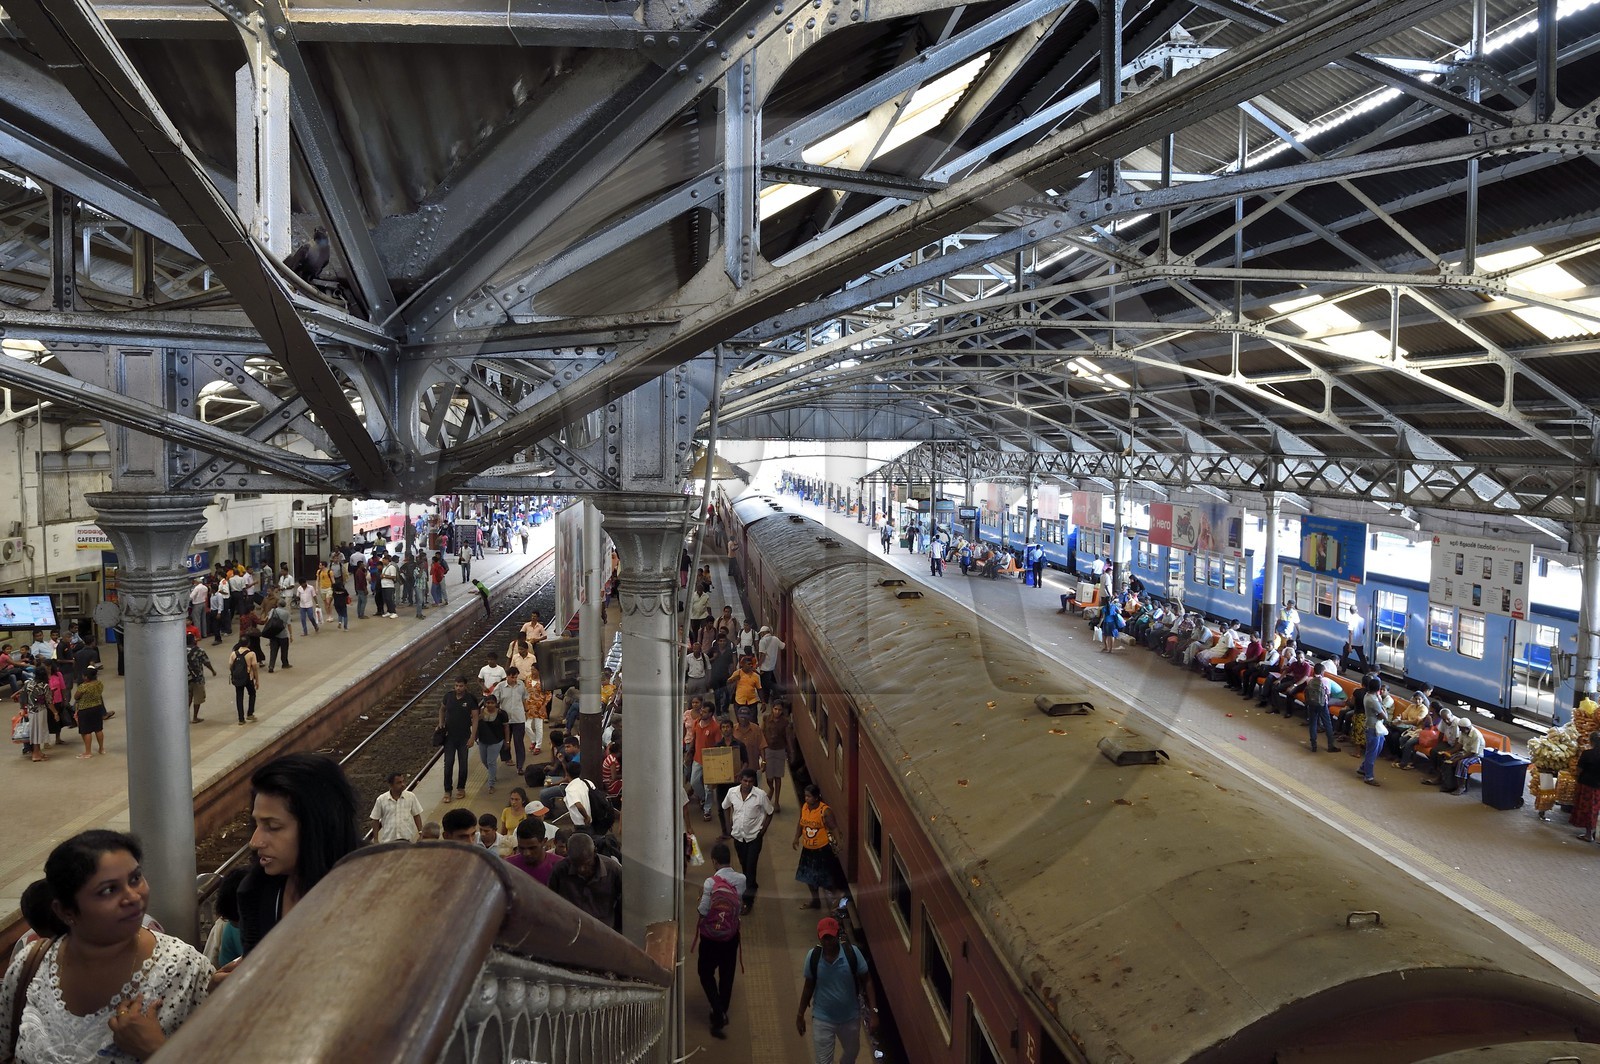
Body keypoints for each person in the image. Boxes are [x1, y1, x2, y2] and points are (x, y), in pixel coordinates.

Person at [0, 830, 213, 1063]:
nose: (132, 897)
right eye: (108, 890)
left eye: (135, 878)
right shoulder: (30, 965)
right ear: (66, 911)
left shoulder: (186, 970)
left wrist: (157, 1050)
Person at [238, 753, 361, 955]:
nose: (254, 841)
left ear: (318, 827)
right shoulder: (254, 892)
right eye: (256, 824)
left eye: (273, 826)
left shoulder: (375, 888)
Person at [795, 916, 876, 1064]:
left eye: (830, 938)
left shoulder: (852, 954)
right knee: (823, 1061)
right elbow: (808, 986)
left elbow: (868, 980)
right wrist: (800, 1014)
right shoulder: (813, 957)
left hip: (850, 1018)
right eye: (824, 938)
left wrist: (874, 1012)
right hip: (822, 1019)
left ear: (837, 935)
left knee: (852, 1053)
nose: (827, 942)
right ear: (819, 938)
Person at [695, 841, 746, 1040]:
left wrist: (700, 899)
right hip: (731, 936)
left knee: (705, 972)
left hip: (710, 939)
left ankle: (718, 1011)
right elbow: (739, 905)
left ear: (714, 861)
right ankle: (720, 1011)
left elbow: (703, 911)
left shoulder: (710, 883)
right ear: (729, 860)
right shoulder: (741, 879)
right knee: (727, 975)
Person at [547, 832, 622, 931]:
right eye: (576, 864)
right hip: (571, 931)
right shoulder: (559, 870)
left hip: (604, 932)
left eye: (587, 864)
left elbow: (623, 904)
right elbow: (551, 901)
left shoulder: (613, 870)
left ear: (595, 852)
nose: (581, 869)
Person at [724, 769, 774, 913]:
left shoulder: (760, 795)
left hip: (754, 838)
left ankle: (747, 901)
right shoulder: (732, 793)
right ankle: (752, 885)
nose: (747, 784)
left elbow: (770, 813)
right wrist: (729, 826)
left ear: (754, 782)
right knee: (744, 865)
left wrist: (762, 832)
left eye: (750, 781)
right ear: (740, 779)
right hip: (738, 837)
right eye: (745, 781)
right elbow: (725, 807)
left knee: (751, 868)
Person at [793, 784, 844, 912]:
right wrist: (796, 838)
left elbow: (834, 827)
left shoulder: (825, 811)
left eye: (809, 796)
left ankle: (838, 894)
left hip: (821, 849)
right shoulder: (805, 807)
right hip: (808, 848)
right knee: (807, 876)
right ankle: (815, 900)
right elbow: (801, 823)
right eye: (805, 796)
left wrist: (839, 843)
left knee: (823, 877)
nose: (806, 799)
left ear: (816, 798)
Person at [438, 677, 480, 803]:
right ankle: (447, 790)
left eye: (461, 686)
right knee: (448, 764)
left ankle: (461, 788)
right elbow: (442, 709)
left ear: (465, 686)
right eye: (456, 685)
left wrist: (473, 736)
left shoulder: (471, 699)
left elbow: (476, 718)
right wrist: (441, 723)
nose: (458, 688)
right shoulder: (448, 697)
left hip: (464, 737)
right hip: (449, 737)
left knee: (463, 764)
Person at [368, 772, 425, 844]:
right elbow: (375, 819)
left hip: (407, 840)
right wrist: (376, 839)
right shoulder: (381, 800)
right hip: (389, 841)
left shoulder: (411, 797)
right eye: (399, 783)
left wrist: (421, 833)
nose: (402, 785)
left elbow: (416, 815)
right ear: (391, 785)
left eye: (403, 781)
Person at [1355, 674, 1389, 786]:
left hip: (1374, 726)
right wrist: (1382, 706)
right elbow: (1384, 716)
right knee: (1371, 752)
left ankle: (1363, 768)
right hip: (1373, 728)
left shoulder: (1368, 695)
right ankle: (1368, 777)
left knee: (1377, 748)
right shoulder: (1373, 700)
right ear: (1378, 689)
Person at [762, 701, 795, 812]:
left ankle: (776, 801)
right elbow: (762, 733)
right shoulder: (766, 719)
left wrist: (791, 752)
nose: (777, 712)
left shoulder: (785, 722)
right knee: (769, 777)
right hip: (768, 750)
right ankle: (771, 788)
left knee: (778, 777)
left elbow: (788, 738)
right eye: (775, 709)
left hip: (780, 750)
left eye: (779, 710)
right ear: (772, 708)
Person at [496, 666, 530, 774]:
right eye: (512, 677)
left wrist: (526, 710)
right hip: (505, 719)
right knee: (506, 740)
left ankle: (520, 766)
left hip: (518, 718)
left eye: (516, 677)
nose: (514, 680)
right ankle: (507, 758)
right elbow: (494, 700)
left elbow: (524, 698)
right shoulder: (500, 686)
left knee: (519, 742)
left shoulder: (521, 685)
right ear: (507, 676)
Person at [506, 819, 560, 885]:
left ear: (544, 841)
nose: (526, 853)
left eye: (532, 848)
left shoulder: (560, 867)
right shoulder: (508, 866)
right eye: (521, 848)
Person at [1304, 662, 1342, 754]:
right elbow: (1328, 694)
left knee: (1313, 724)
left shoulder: (1309, 680)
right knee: (1328, 724)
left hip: (1311, 703)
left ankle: (1314, 745)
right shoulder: (1325, 681)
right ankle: (1330, 745)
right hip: (1322, 704)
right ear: (1322, 672)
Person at [14, 673, 52, 763]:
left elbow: (22, 696)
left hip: (31, 711)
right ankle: (35, 754)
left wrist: (22, 708)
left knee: (35, 731)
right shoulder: (44, 686)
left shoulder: (28, 683)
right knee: (37, 733)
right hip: (40, 711)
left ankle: (38, 751)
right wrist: (55, 712)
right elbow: (49, 700)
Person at [476, 689, 508, 794]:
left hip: (496, 740)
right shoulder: (480, 713)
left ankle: (491, 784)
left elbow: (506, 728)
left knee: (491, 761)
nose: (490, 705)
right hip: (483, 740)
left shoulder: (502, 714)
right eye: (488, 703)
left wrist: (507, 741)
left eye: (492, 703)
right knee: (484, 760)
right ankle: (492, 774)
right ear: (485, 703)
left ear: (496, 704)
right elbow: (475, 725)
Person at [1571, 731, 1600, 843]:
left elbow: (1579, 770)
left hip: (1587, 785)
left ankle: (1588, 834)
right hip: (1598, 786)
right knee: (1595, 809)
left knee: (1587, 809)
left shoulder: (1587, 754)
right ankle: (1594, 833)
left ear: (1591, 741)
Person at [227, 640, 260, 726]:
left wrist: (233, 675)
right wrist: (257, 680)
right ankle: (250, 713)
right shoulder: (251, 654)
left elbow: (230, 666)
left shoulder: (234, 654)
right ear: (248, 643)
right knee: (252, 693)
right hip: (248, 678)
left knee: (239, 697)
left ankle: (241, 719)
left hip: (238, 678)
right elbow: (255, 668)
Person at [185, 634, 215, 724]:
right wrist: (213, 671)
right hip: (198, 678)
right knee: (197, 698)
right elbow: (206, 662)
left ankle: (185, 718)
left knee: (188, 698)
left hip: (186, 678)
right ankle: (195, 717)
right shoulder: (199, 651)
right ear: (193, 640)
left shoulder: (181, 650)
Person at [757, 626, 785, 700]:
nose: (761, 635)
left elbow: (762, 655)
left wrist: (758, 665)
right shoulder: (775, 639)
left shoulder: (762, 641)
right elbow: (783, 646)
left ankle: (766, 699)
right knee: (769, 682)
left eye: (761, 633)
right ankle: (770, 696)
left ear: (763, 632)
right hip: (772, 665)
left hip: (764, 667)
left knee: (764, 684)